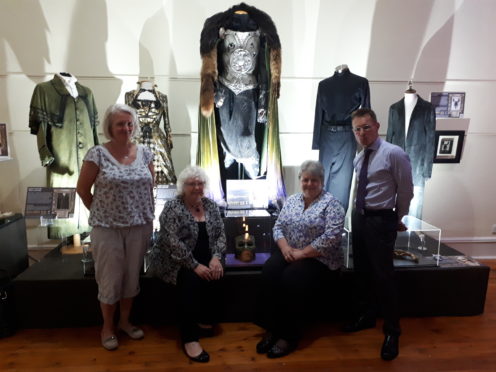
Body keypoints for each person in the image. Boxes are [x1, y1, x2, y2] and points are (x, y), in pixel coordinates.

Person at [76, 103, 154, 351]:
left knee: (131, 277)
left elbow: (149, 188)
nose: (126, 128)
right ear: (110, 127)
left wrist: (148, 219)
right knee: (110, 280)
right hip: (107, 228)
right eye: (120, 123)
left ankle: (125, 322)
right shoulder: (97, 154)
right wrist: (102, 213)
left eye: (130, 123)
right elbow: (82, 189)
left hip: (139, 226)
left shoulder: (146, 153)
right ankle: (107, 327)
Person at [255, 160, 345, 358]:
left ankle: (289, 335)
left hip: (319, 259)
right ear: (300, 180)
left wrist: (303, 253)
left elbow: (332, 236)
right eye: (305, 180)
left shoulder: (332, 204)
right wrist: (285, 247)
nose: (309, 184)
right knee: (269, 271)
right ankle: (273, 327)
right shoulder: (292, 200)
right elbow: (277, 227)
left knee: (292, 278)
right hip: (290, 252)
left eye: (314, 180)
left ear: (322, 181)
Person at [344, 108, 413, 361]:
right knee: (362, 271)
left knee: (384, 276)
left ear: (377, 126)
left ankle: (392, 332)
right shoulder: (360, 157)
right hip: (360, 218)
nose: (362, 133)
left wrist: (397, 218)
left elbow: (406, 190)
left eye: (366, 127)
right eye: (357, 129)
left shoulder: (394, 154)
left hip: (381, 219)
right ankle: (366, 317)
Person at [150, 166, 226, 363]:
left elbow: (220, 235)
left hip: (205, 256)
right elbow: (171, 241)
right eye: (192, 184)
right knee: (190, 281)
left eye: (200, 183)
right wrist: (194, 265)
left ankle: (205, 320)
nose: (197, 187)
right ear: (183, 187)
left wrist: (216, 257)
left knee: (216, 273)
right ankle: (190, 337)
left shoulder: (211, 206)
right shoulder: (173, 207)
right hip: (174, 260)